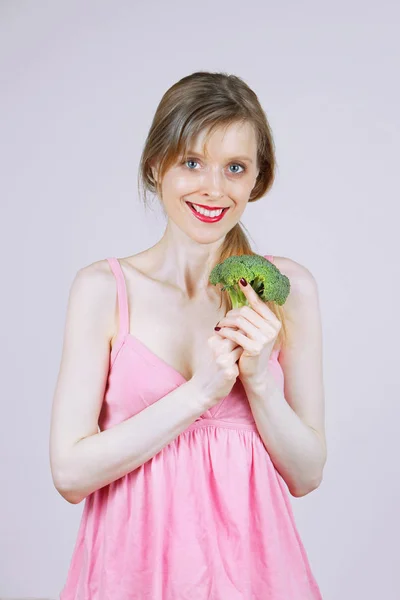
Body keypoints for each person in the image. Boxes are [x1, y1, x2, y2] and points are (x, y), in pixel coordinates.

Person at [50, 71, 326, 599]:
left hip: (256, 579)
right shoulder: (103, 290)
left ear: (256, 179)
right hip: (131, 578)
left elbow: (306, 473)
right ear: (157, 166)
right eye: (192, 162)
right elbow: (69, 473)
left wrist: (259, 383)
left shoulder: (290, 292)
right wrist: (200, 393)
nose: (213, 188)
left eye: (235, 168)